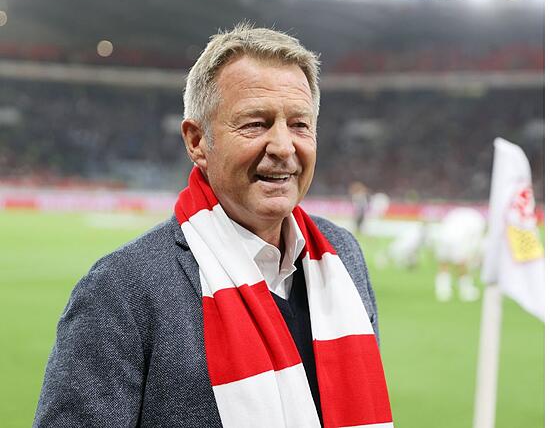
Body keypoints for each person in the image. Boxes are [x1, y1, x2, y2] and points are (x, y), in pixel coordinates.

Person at [34, 25, 393, 427]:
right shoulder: (122, 290)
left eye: (299, 124)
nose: (283, 146)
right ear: (196, 141)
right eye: (256, 123)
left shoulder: (343, 256)